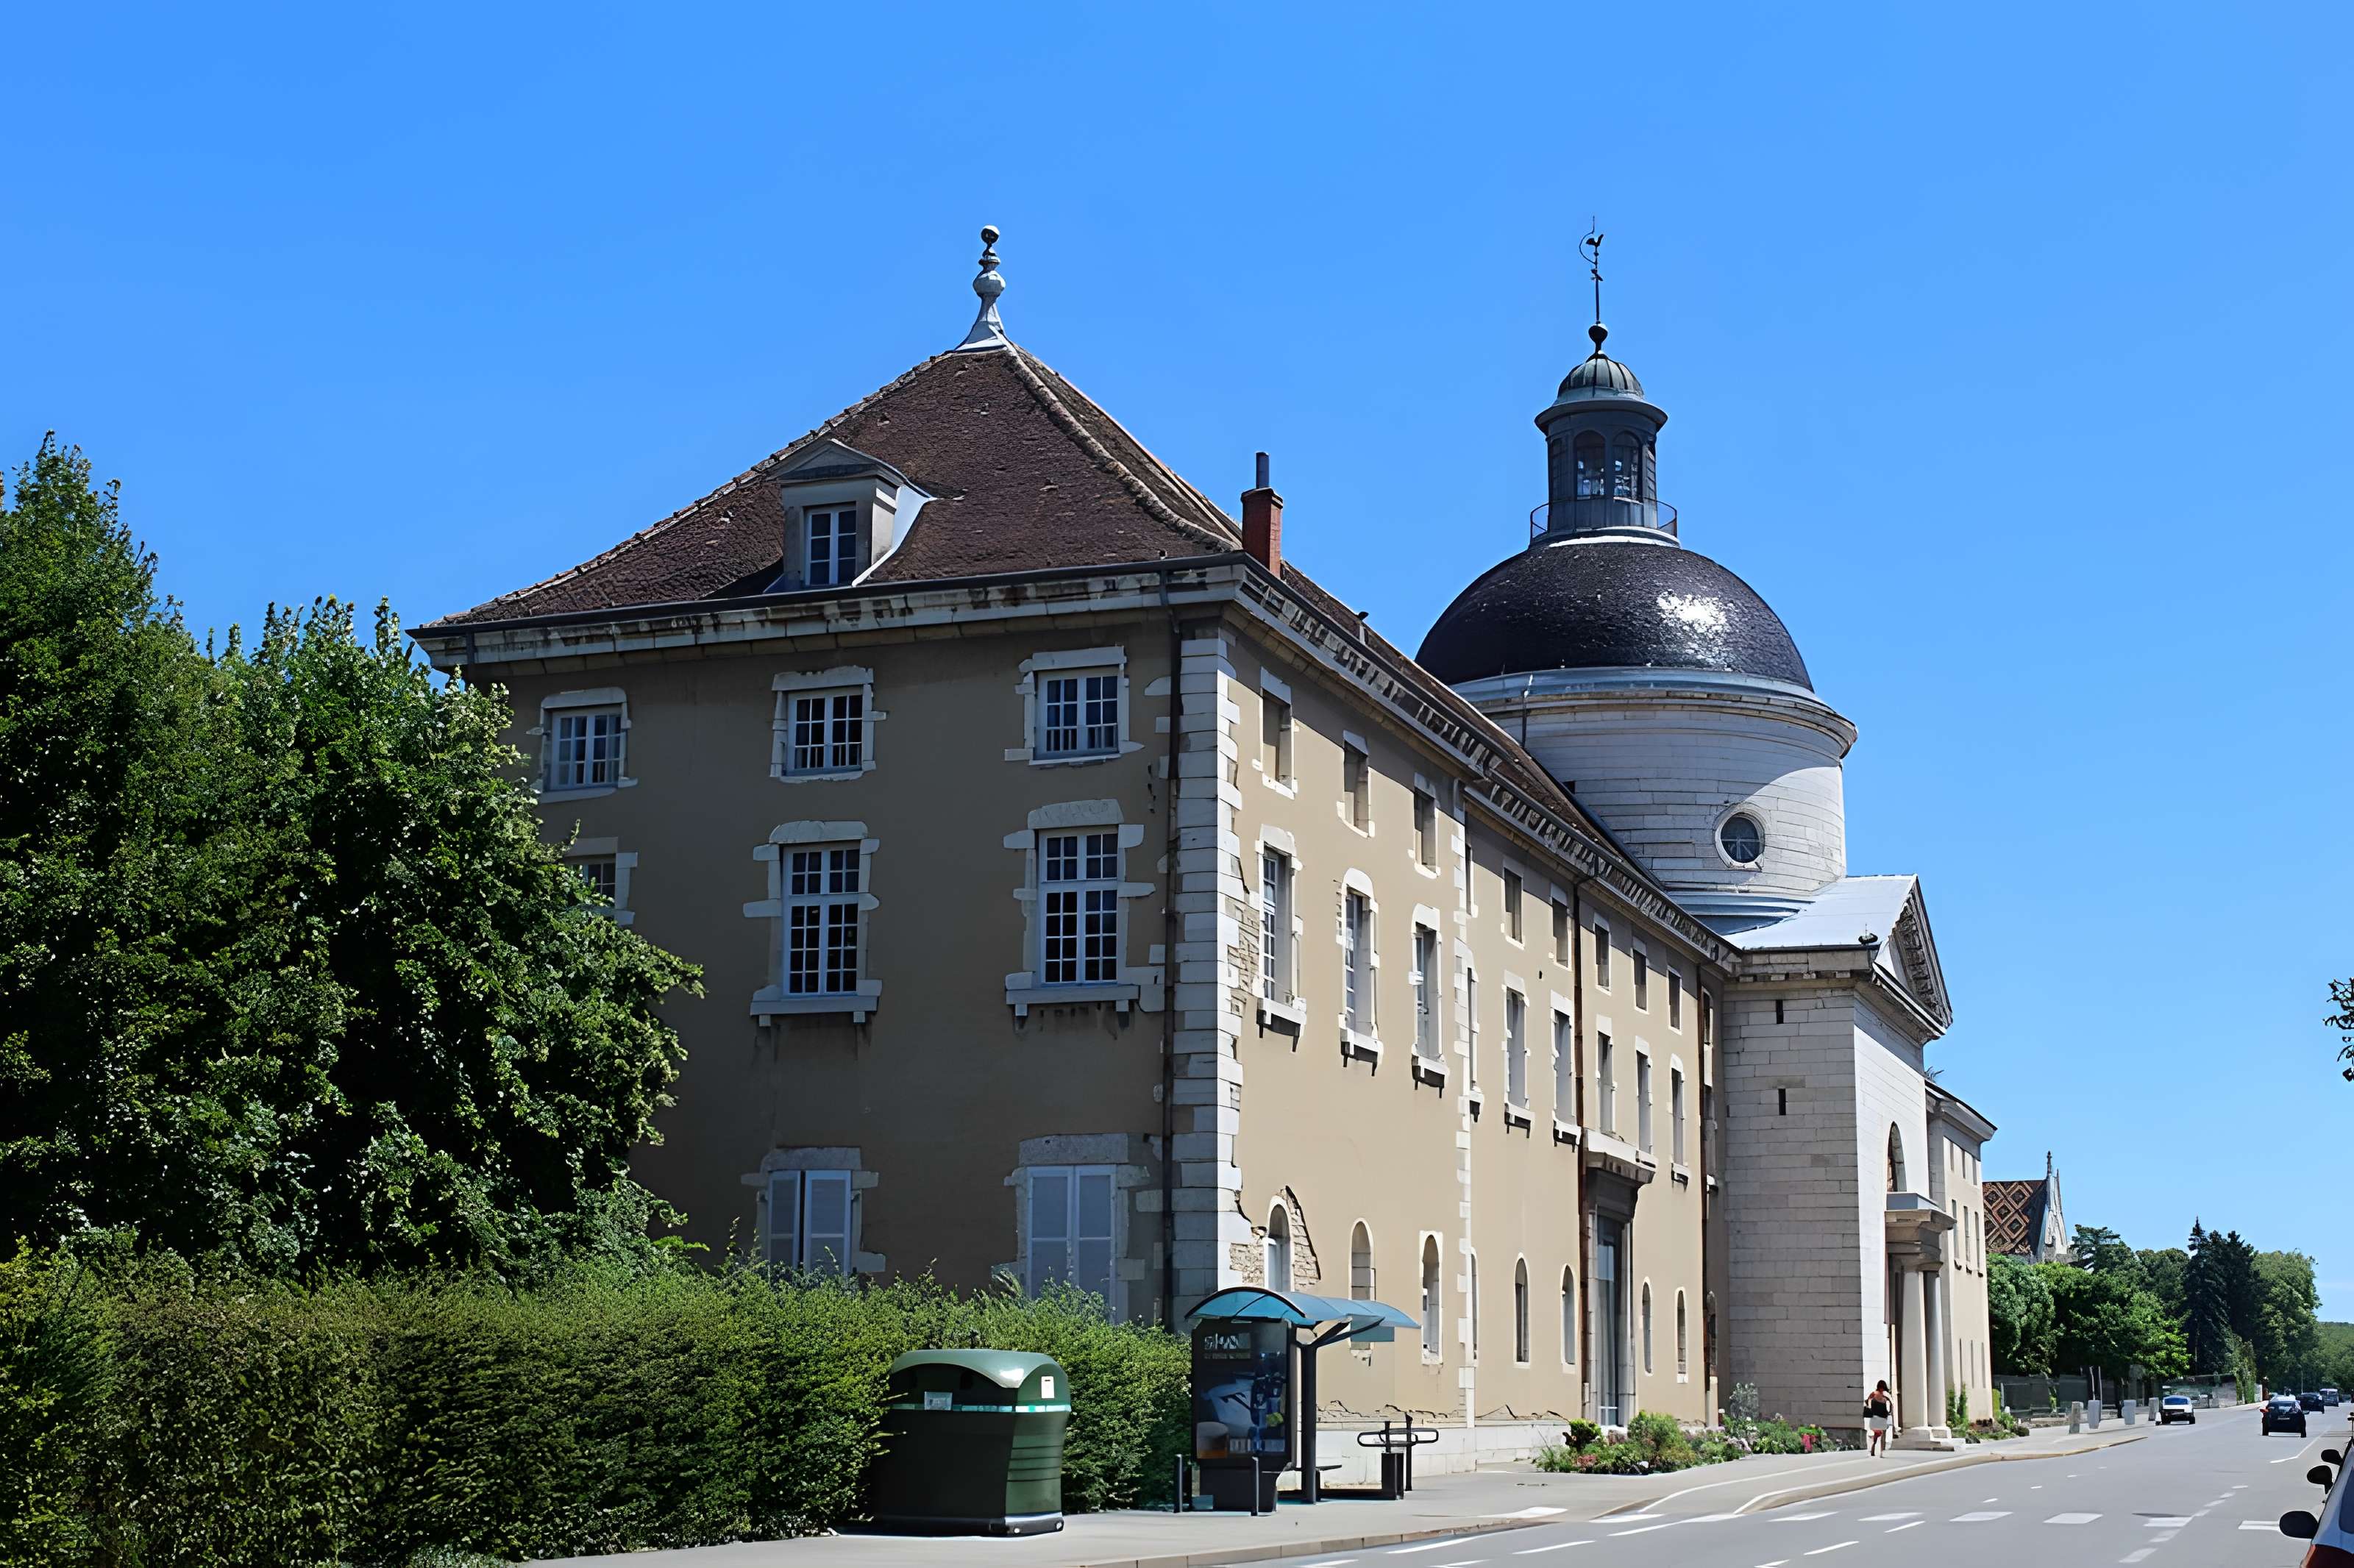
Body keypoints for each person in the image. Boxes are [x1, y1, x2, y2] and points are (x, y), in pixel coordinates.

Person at [1864, 1380, 1894, 1456]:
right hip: (1882, 1417)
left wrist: (1870, 1408)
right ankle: (1880, 1451)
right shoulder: (1885, 1396)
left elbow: (1867, 1401)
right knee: (1882, 1434)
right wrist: (1889, 1412)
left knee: (1877, 1433)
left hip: (1874, 1416)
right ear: (1883, 1387)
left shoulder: (1873, 1394)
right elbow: (1891, 1404)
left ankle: (1874, 1446)